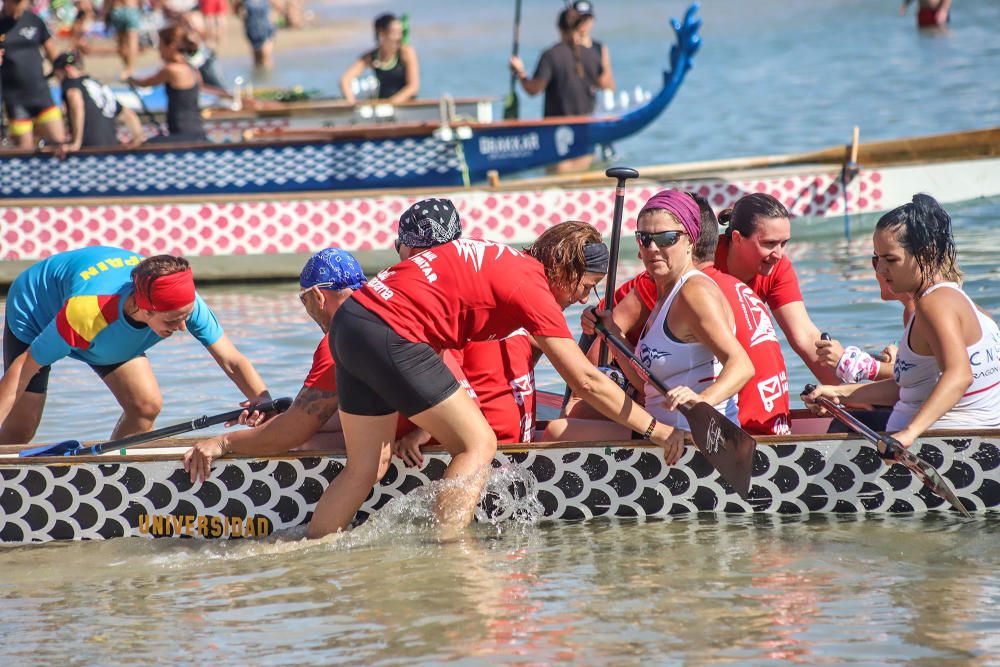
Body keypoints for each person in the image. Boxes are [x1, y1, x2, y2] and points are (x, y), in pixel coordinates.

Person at [312, 221, 681, 539]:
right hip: (391, 332)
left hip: (349, 325)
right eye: (586, 286)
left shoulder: (506, 262)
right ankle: (447, 556)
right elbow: (584, 380)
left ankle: (311, 551)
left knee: (365, 468)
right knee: (478, 443)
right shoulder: (530, 284)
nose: (584, 297)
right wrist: (657, 430)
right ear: (563, 269)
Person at [568, 192, 791, 436]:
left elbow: (741, 366)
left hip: (695, 441)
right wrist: (613, 334)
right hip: (669, 438)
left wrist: (702, 401)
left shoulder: (694, 291)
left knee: (560, 430)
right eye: (644, 239)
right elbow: (646, 387)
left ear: (691, 241)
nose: (653, 248)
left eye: (667, 239)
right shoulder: (665, 295)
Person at [0, 247, 271, 444]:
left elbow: (232, 360)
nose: (182, 327)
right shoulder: (87, 312)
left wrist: (265, 404)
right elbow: (22, 370)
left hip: (105, 329)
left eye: (185, 316)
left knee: (146, 405)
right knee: (21, 429)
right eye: (173, 320)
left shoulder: (185, 303)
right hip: (38, 307)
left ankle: (110, 474)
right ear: (144, 308)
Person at [804, 194, 1000, 445]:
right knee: (851, 418)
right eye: (876, 259)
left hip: (945, 450)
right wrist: (839, 393)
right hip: (964, 443)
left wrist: (907, 435)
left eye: (891, 260)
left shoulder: (933, 305)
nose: (880, 270)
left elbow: (959, 376)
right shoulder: (961, 301)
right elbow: (909, 388)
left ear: (926, 253)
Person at [183, 248, 369, 482]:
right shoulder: (378, 313)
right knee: (297, 436)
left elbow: (291, 433)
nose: (306, 308)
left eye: (304, 299)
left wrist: (223, 442)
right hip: (413, 431)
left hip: (397, 443)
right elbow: (351, 415)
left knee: (296, 443)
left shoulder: (339, 338)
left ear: (318, 296)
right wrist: (285, 416)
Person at [388, 199, 542, 471]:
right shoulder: (482, 283)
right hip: (512, 441)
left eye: (397, 246)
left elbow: (451, 381)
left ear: (410, 251)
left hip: (476, 451)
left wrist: (421, 434)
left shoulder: (433, 303)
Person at [713, 192, 839, 384]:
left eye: (784, 243)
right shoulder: (705, 262)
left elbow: (805, 336)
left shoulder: (778, 268)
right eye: (769, 243)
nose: (779, 254)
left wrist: (848, 393)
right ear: (737, 238)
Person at [508, 6, 611, 173]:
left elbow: (533, 89)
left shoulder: (550, 55)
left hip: (558, 148)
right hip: (587, 142)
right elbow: (605, 85)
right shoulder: (594, 54)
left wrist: (520, 72)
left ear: (559, 27)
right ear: (580, 27)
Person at [0, 0, 67, 149]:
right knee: (25, 151)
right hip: (15, 100)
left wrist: (67, 86)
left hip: (41, 94)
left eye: (22, 2)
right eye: (15, 3)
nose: (19, 7)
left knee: (60, 144)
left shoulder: (34, 20)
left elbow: (53, 55)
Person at [48, 51, 145, 153]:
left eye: (57, 75)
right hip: (111, 149)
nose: (58, 81)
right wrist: (138, 138)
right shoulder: (99, 87)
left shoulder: (71, 83)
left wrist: (76, 143)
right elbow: (129, 115)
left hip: (90, 150)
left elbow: (76, 104)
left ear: (67, 70)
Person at [128, 25, 207, 143]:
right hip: (197, 131)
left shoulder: (171, 70)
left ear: (172, 46)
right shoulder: (192, 69)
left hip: (183, 134)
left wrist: (130, 79)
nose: (158, 50)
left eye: (160, 45)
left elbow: (146, 83)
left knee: (142, 145)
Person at [339, 13, 419, 104]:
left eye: (400, 33)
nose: (399, 38)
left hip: (405, 105)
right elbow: (344, 80)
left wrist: (390, 103)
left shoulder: (406, 52)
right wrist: (352, 103)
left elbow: (413, 87)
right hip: (381, 107)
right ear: (381, 33)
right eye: (395, 33)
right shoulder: (372, 56)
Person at [571, 1, 614, 93]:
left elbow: (610, 86)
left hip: (592, 99)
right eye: (579, 18)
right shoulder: (565, 49)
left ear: (592, 19)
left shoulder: (600, 48)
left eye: (587, 18)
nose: (583, 22)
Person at [103, 0, 141, 78]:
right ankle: (129, 68)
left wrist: (105, 16)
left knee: (122, 43)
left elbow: (107, 2)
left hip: (117, 9)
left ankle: (127, 68)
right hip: (131, 8)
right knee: (132, 41)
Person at [233, 0, 275, 69]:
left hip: (266, 29)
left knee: (265, 55)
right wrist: (241, 16)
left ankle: (268, 77)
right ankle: (258, 77)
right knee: (257, 58)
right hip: (252, 30)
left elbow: (279, 6)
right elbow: (235, 8)